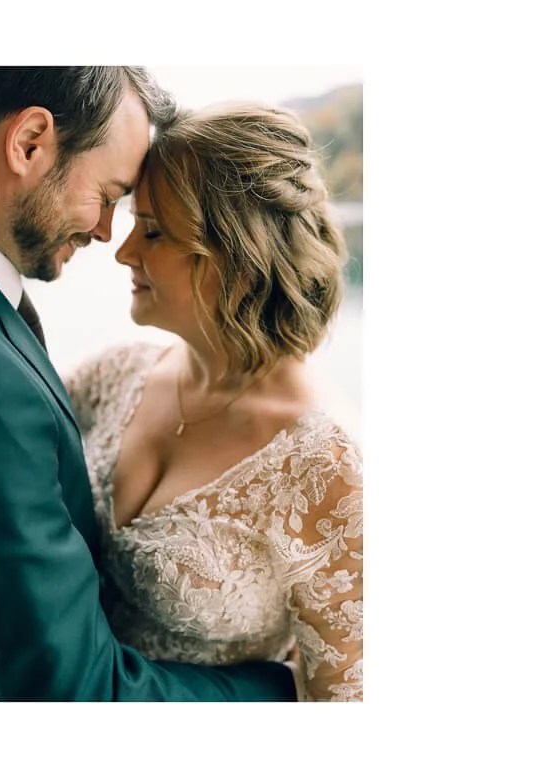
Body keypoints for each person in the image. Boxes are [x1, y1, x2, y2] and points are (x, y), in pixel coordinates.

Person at [0, 66, 295, 700]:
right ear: (29, 143)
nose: (108, 234)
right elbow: (74, 688)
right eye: (108, 195)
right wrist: (278, 689)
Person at [63, 102, 362, 701]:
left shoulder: (323, 465)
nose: (122, 252)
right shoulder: (113, 375)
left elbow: (343, 703)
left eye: (152, 231)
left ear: (237, 257)